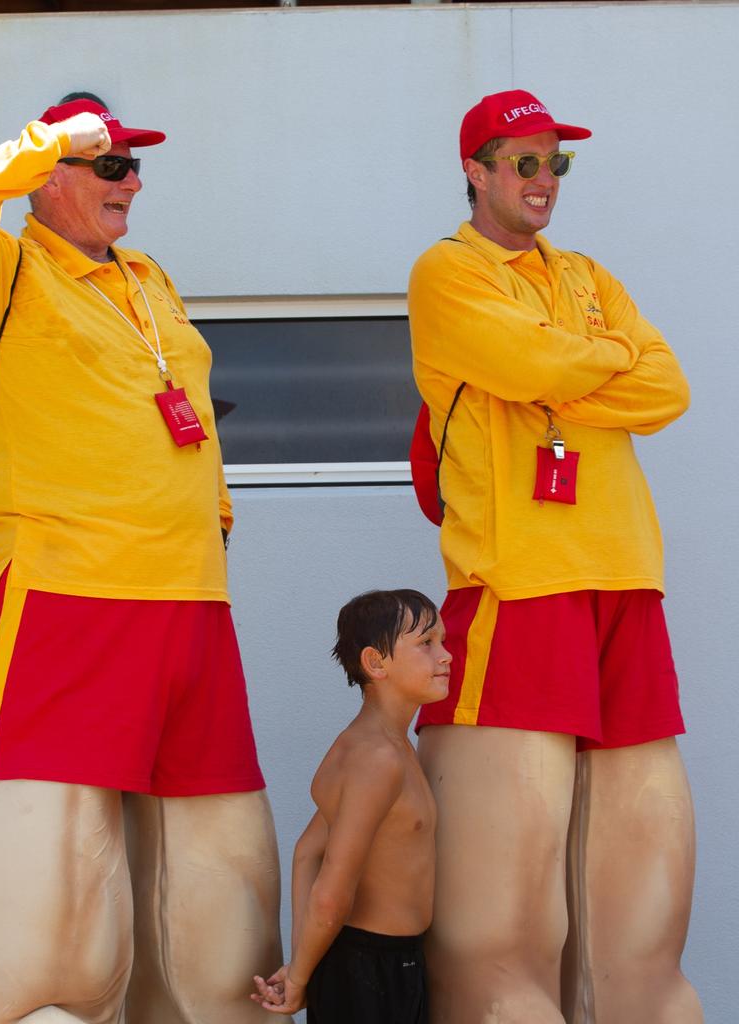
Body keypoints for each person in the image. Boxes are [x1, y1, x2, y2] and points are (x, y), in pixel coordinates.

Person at [0, 94, 281, 1022]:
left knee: (216, 933)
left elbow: (185, 403)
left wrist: (216, 514)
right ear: (53, 176)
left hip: (188, 601)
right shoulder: (3, 265)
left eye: (135, 166)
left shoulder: (150, 275)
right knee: (51, 959)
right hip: (69, 590)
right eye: (109, 164)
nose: (132, 182)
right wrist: (45, 141)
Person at [408, 89, 703, 1023]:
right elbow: (539, 367)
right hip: (519, 584)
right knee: (504, 928)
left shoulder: (585, 273)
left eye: (555, 163)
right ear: (476, 170)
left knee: (640, 933)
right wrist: (588, 361)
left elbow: (668, 388)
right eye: (523, 162)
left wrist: (567, 362)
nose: (542, 181)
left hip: (625, 578)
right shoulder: (445, 273)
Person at [251, 589, 451, 1022]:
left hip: (387, 964)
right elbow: (332, 891)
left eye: (443, 641)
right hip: (369, 970)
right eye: (426, 643)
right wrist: (302, 975)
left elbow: (308, 851)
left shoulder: (390, 747)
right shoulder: (376, 760)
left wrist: (305, 961)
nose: (446, 655)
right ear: (375, 663)